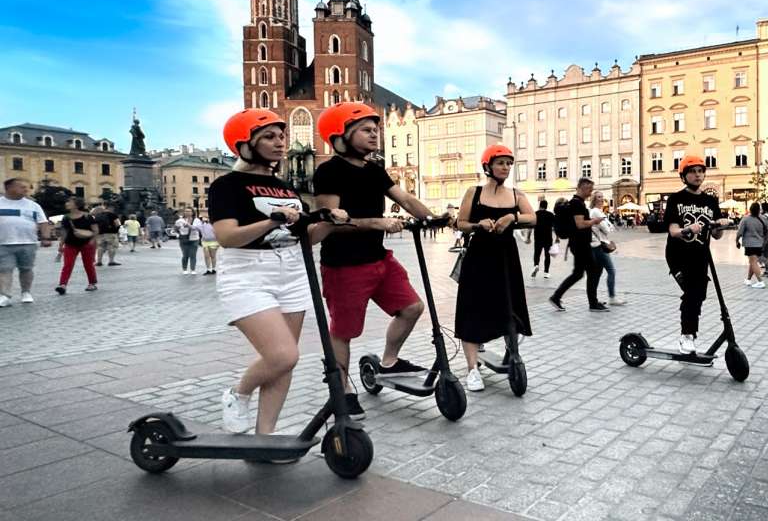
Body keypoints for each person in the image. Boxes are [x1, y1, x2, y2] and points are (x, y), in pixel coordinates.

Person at [209, 108, 346, 436]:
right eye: (269, 136)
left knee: (285, 363)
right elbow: (227, 237)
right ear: (245, 145)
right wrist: (274, 220)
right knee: (283, 354)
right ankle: (237, 393)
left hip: (291, 272)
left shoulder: (285, 187)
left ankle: (265, 436)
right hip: (247, 273)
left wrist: (328, 223)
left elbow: (305, 238)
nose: (280, 142)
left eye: (281, 136)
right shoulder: (228, 186)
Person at [312, 102, 436, 419]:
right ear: (341, 135)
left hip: (378, 258)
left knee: (412, 308)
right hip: (344, 264)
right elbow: (329, 224)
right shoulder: (329, 172)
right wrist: (377, 223)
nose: (374, 135)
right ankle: (343, 388)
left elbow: (405, 199)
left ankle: (389, 363)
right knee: (344, 331)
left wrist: (434, 218)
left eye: (375, 129)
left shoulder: (375, 170)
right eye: (366, 130)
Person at [454, 144, 535, 391]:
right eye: (501, 163)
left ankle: (513, 354)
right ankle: (472, 370)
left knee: (510, 306)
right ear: (488, 166)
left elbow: (533, 218)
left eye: (509, 163)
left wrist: (512, 217)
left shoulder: (516, 195)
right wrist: (478, 224)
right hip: (479, 256)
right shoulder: (474, 192)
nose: (506, 167)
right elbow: (460, 223)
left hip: (505, 257)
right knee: (472, 309)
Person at [664, 156, 733, 354]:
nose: (697, 175)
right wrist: (688, 229)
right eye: (692, 171)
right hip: (678, 255)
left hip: (701, 256)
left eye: (700, 171)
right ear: (684, 176)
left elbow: (717, 235)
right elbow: (673, 231)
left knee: (699, 294)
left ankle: (689, 333)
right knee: (692, 293)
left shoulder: (710, 200)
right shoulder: (676, 199)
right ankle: (687, 336)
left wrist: (721, 225)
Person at [548, 178, 607, 312]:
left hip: (578, 243)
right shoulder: (577, 204)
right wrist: (594, 221)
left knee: (579, 273)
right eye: (589, 189)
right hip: (580, 244)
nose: (590, 192)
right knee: (594, 270)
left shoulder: (577, 203)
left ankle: (556, 297)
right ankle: (593, 303)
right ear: (581, 187)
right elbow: (580, 224)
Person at [0, 178, 52, 306]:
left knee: (26, 269)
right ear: (9, 188)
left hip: (28, 242)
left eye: (26, 187)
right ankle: (4, 295)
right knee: (4, 269)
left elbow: (43, 222)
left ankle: (26, 292)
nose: (25, 189)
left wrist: (46, 237)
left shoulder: (33, 205)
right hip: (3, 243)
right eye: (21, 187)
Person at [55, 197, 98, 294]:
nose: (67, 203)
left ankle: (92, 283)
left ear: (76, 204)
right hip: (70, 244)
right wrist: (61, 245)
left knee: (88, 265)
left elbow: (95, 230)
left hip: (86, 243)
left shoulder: (88, 217)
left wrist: (92, 240)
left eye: (69, 202)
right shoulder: (66, 217)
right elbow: (64, 233)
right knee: (67, 265)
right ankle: (62, 285)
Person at [589, 191, 626, 305]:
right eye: (598, 197)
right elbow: (607, 229)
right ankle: (612, 298)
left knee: (597, 273)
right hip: (599, 245)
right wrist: (607, 226)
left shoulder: (599, 211)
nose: (601, 199)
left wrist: (608, 226)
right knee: (611, 271)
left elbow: (610, 227)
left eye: (602, 197)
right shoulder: (596, 212)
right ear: (594, 199)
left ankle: (594, 300)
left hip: (599, 245)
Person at [737, 202, 768, 288]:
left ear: (750, 209)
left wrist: (736, 241)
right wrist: (765, 241)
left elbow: (740, 232)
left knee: (753, 262)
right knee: (753, 262)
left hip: (749, 244)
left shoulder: (745, 219)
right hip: (760, 243)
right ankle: (748, 279)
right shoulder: (763, 218)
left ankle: (760, 281)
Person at [531, 199, 555, 278]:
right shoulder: (551, 215)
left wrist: (527, 237)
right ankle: (546, 272)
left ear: (540, 205)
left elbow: (531, 226)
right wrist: (557, 237)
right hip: (548, 238)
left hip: (538, 237)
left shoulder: (535, 214)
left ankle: (536, 265)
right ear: (546, 206)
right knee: (547, 255)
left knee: (537, 253)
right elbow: (555, 227)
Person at [174, 208, 201, 275]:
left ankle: (193, 269)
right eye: (186, 211)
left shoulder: (196, 220)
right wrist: (177, 228)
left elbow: (196, 228)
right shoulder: (180, 220)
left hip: (194, 239)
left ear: (192, 212)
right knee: (185, 255)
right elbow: (176, 229)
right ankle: (184, 269)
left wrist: (188, 225)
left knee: (193, 255)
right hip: (183, 239)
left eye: (189, 211)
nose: (187, 212)